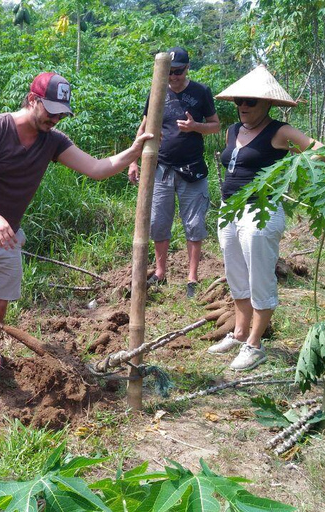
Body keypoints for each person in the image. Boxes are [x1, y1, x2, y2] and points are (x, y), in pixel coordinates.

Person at [0, 72, 152, 403]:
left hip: (8, 238)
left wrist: (134, 152)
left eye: (61, 112)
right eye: (50, 110)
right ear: (32, 100)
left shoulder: (53, 140)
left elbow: (96, 168)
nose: (55, 118)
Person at [208, 65, 323, 370]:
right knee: (236, 275)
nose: (243, 106)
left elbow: (317, 149)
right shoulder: (233, 130)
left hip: (261, 211)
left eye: (251, 101)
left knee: (259, 277)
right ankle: (239, 332)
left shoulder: (280, 131)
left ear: (268, 104)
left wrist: (298, 166)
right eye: (239, 101)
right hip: (229, 209)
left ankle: (254, 344)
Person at [128, 47, 220, 298]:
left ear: (187, 68)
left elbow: (215, 126)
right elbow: (145, 126)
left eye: (177, 71)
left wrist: (195, 126)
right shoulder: (157, 91)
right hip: (162, 170)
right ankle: (160, 273)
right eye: (169, 72)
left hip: (193, 171)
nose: (173, 77)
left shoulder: (201, 92)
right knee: (158, 222)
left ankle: (192, 278)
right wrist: (133, 161)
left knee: (194, 224)